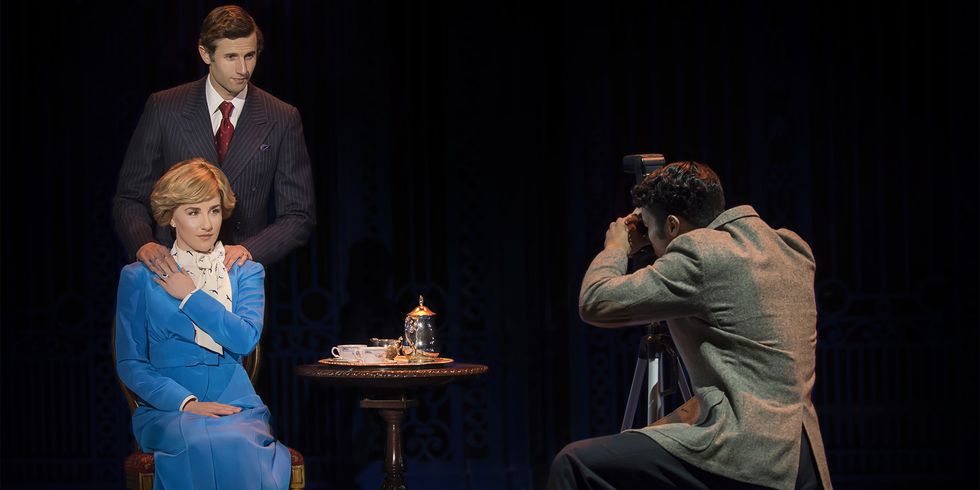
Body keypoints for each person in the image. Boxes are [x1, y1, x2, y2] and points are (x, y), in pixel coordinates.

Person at [548, 161, 832, 489]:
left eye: (649, 230)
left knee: (574, 463)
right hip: (802, 461)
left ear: (672, 225)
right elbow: (750, 372)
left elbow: (596, 301)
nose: (649, 243)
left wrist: (617, 248)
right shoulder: (788, 248)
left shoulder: (699, 253)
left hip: (746, 456)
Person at [115, 158, 291, 489]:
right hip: (169, 409)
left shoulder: (244, 270)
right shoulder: (139, 276)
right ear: (171, 216)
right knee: (197, 442)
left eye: (214, 210)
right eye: (193, 212)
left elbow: (245, 339)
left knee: (235, 442)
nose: (207, 224)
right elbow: (131, 362)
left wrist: (191, 295)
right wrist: (186, 403)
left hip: (236, 405)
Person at [113, 4, 315, 278]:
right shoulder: (165, 108)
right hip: (170, 271)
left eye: (250, 56)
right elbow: (129, 197)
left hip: (239, 276)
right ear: (205, 53)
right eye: (231, 57)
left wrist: (249, 251)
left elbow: (298, 214)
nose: (243, 69)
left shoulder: (281, 117)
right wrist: (143, 243)